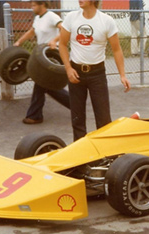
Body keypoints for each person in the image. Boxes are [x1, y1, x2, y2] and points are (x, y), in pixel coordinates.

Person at [59, 0, 131, 141]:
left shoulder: (106, 21)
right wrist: (68, 68)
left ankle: (106, 155)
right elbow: (62, 44)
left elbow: (116, 50)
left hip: (97, 74)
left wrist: (122, 75)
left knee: (103, 120)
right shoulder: (71, 18)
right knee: (77, 119)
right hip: (76, 72)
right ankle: (80, 157)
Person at [14, 1, 70, 124]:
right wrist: (19, 42)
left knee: (41, 83)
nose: (31, 7)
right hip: (40, 58)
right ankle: (75, 104)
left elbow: (65, 30)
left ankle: (34, 115)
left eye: (34, 5)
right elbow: (32, 31)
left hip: (51, 56)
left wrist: (54, 40)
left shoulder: (51, 16)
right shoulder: (38, 18)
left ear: (42, 5)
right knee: (48, 86)